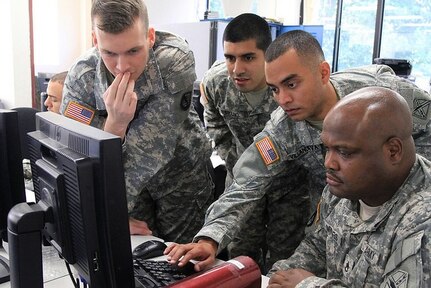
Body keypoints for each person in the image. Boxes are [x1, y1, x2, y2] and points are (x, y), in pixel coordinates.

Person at [165, 29, 431, 272]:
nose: (283, 99)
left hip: (407, 199)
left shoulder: (381, 93)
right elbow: (247, 179)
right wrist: (210, 237)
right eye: (274, 89)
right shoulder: (284, 127)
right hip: (338, 203)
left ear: (323, 73)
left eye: (291, 84)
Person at [60, 0, 214, 244]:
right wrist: (114, 127)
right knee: (136, 262)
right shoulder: (81, 78)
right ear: (95, 41)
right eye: (109, 53)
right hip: (122, 186)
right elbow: (76, 155)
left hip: (180, 180)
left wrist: (107, 213)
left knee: (183, 265)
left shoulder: (173, 60)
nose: (123, 66)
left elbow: (149, 151)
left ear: (150, 37)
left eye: (133, 51)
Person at [267, 87, 431, 287]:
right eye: (327, 148)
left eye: (344, 152)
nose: (329, 163)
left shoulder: (423, 221)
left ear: (393, 151)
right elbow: (320, 246)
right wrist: (281, 277)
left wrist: (307, 285)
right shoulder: (344, 185)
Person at [201, 13, 303, 273]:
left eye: (248, 57)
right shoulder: (216, 83)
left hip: (289, 185)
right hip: (242, 182)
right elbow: (213, 122)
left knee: (283, 258)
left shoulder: (287, 87)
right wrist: (233, 158)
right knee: (241, 256)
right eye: (230, 57)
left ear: (267, 54)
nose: (237, 69)